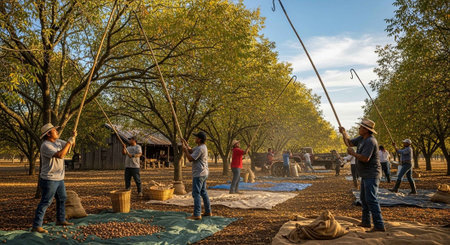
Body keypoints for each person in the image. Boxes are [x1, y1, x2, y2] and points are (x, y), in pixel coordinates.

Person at [339, 119, 385, 232]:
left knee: (371, 199)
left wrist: (353, 153)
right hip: (365, 174)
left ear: (366, 130)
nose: (359, 129)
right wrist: (344, 133)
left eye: (360, 127)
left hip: (372, 174)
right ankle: (366, 222)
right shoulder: (362, 139)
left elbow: (365, 158)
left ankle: (379, 225)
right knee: (364, 199)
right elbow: (349, 143)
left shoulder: (370, 141)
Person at [32, 123, 77, 233]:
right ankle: (36, 226)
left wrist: (73, 138)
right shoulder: (46, 145)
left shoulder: (57, 142)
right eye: (54, 131)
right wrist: (69, 142)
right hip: (49, 179)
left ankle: (60, 220)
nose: (57, 132)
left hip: (59, 178)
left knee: (62, 198)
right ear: (48, 134)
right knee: (46, 202)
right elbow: (61, 155)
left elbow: (70, 146)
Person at [182, 132, 212, 220]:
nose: (195, 139)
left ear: (199, 139)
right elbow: (192, 151)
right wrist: (186, 145)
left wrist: (185, 151)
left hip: (199, 174)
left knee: (196, 193)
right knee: (203, 192)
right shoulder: (202, 147)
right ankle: (208, 211)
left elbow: (190, 158)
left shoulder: (200, 149)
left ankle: (197, 214)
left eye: (196, 138)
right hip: (204, 173)